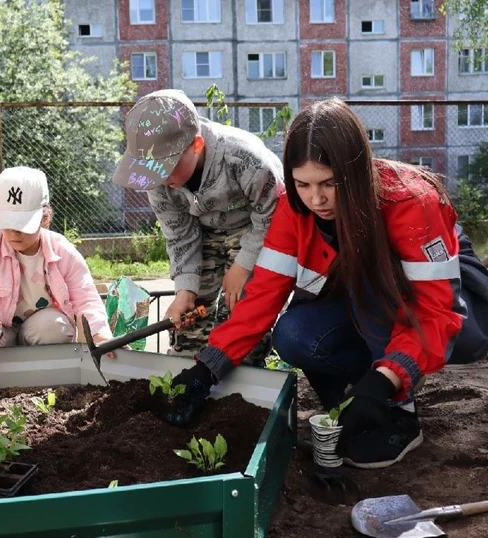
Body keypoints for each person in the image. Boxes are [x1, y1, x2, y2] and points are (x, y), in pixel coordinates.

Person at [164, 98, 488, 469]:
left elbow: (436, 311)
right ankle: (355, 399)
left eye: (329, 183)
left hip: (447, 309)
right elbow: (263, 295)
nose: (316, 198)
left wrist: (386, 381)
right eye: (302, 184)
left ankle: (397, 411)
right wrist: (207, 367)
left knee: (371, 286)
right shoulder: (294, 208)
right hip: (363, 299)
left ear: (355, 171)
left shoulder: (411, 203)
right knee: (294, 334)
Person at [113, 89, 284, 360]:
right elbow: (180, 235)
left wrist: (242, 266)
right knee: (188, 321)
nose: (161, 178)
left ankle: (244, 372)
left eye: (166, 167)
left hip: (254, 230)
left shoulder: (245, 159)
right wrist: (185, 290)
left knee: (240, 314)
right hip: (202, 232)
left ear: (196, 145)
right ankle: (189, 370)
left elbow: (271, 216)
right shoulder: (158, 182)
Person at [0, 166, 114, 351]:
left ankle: (42, 376)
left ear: (45, 218)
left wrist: (100, 334)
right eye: (8, 224)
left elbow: (85, 299)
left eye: (22, 225)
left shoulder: (63, 251)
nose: (14, 232)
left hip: (38, 328)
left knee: (55, 328)